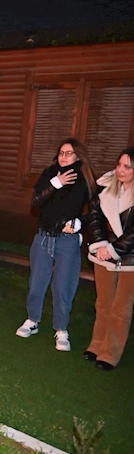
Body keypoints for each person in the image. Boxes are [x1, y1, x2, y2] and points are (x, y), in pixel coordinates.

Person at [15, 138, 96, 352]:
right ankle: (33, 319)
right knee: (37, 283)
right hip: (43, 237)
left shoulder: (84, 179)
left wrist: (80, 224)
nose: (64, 156)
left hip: (67, 241)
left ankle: (61, 329)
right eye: (61, 152)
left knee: (63, 287)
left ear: (78, 156)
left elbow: (97, 212)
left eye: (69, 153)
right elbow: (35, 204)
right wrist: (54, 184)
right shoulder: (49, 174)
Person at [84, 147, 134, 371]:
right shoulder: (105, 186)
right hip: (103, 254)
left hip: (129, 259)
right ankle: (96, 346)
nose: (120, 170)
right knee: (103, 303)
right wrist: (101, 246)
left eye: (128, 167)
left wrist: (114, 249)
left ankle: (110, 354)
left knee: (121, 308)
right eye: (119, 164)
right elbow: (94, 217)